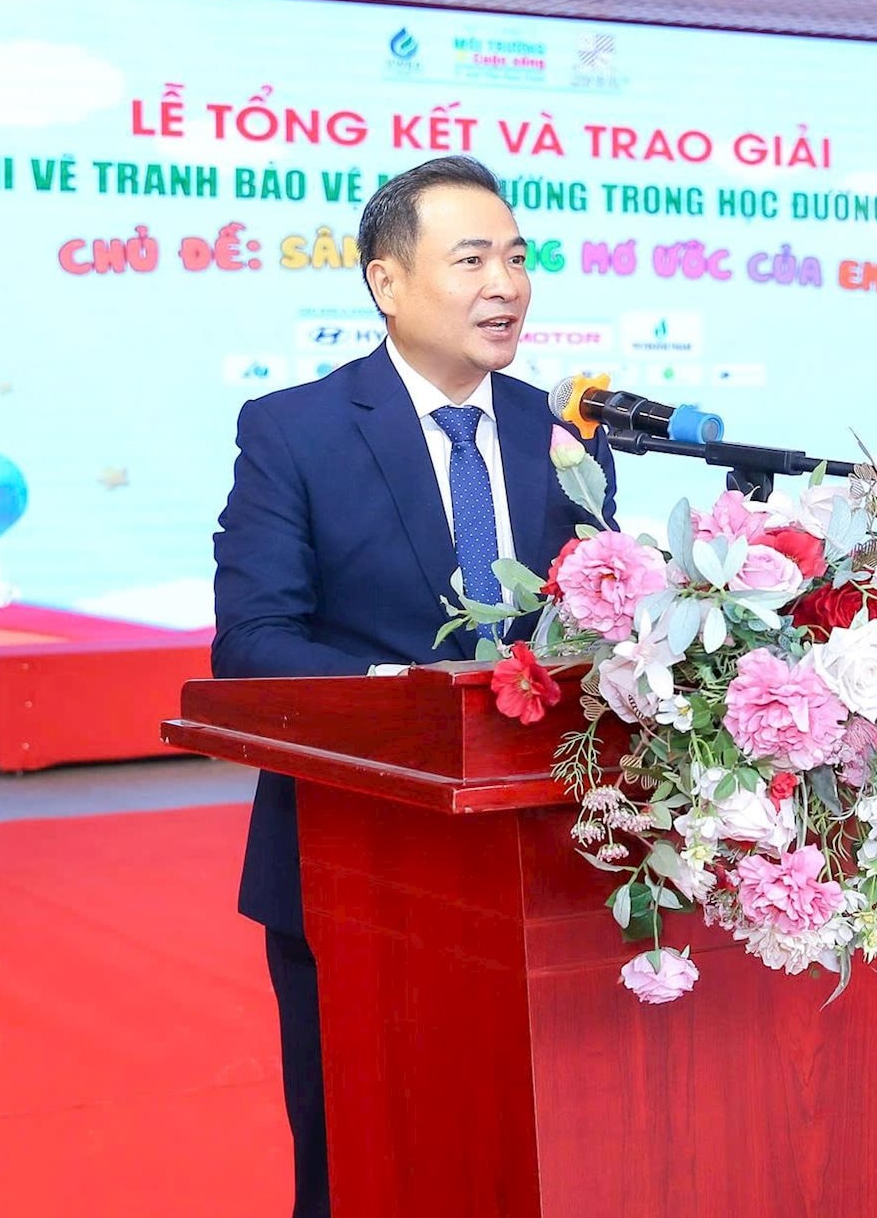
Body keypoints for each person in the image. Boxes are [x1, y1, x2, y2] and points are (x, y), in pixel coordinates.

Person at [211, 155, 614, 1217]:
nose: (507, 285)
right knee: (360, 1158)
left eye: (517, 258)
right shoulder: (293, 430)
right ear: (386, 282)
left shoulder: (561, 433)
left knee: (532, 1153)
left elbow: (596, 623)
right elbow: (252, 643)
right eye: (472, 260)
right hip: (353, 857)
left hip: (541, 866)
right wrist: (415, 696)